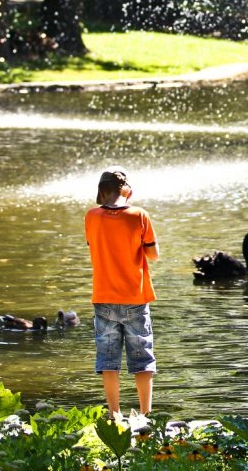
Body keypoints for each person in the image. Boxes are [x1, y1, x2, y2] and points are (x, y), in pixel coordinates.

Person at [85, 167, 160, 417]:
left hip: (103, 298)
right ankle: (146, 415)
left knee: (107, 360)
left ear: (101, 191)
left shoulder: (91, 217)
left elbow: (93, 245)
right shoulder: (139, 215)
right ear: (125, 190)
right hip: (135, 298)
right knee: (142, 359)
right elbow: (153, 255)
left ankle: (114, 414)